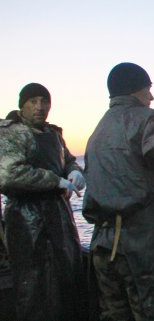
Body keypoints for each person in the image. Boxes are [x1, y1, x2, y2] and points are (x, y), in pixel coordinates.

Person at [82, 62, 154, 321]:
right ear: (136, 89)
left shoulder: (97, 132)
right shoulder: (149, 119)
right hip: (140, 251)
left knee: (113, 314)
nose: (152, 97)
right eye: (149, 89)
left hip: (102, 246)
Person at [0, 82, 86, 321]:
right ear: (22, 105)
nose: (40, 107)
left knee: (68, 278)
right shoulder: (10, 132)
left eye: (44, 101)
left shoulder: (54, 134)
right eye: (33, 101)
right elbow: (8, 175)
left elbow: (68, 160)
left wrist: (75, 172)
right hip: (25, 220)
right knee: (32, 287)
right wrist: (54, 181)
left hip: (60, 217)